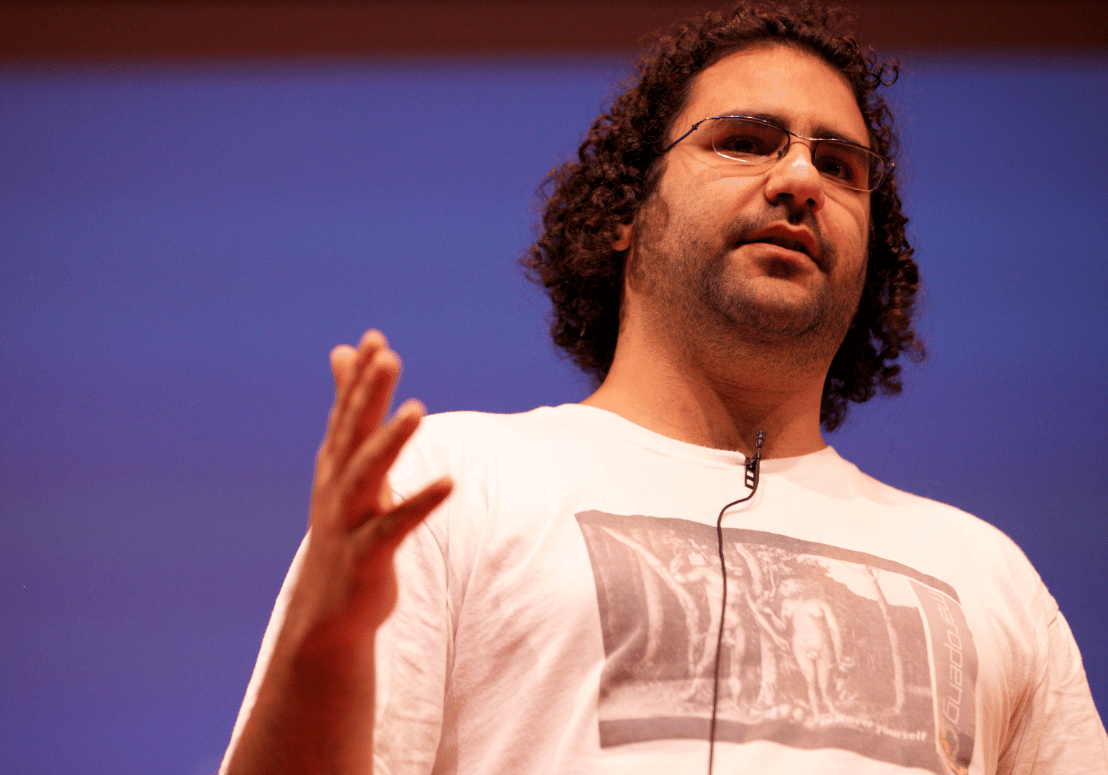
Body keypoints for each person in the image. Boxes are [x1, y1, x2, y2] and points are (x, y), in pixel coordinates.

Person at [220, 2, 1107, 773]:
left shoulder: (988, 576)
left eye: (840, 166)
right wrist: (325, 645)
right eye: (745, 142)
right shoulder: (451, 483)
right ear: (621, 214)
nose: (799, 179)